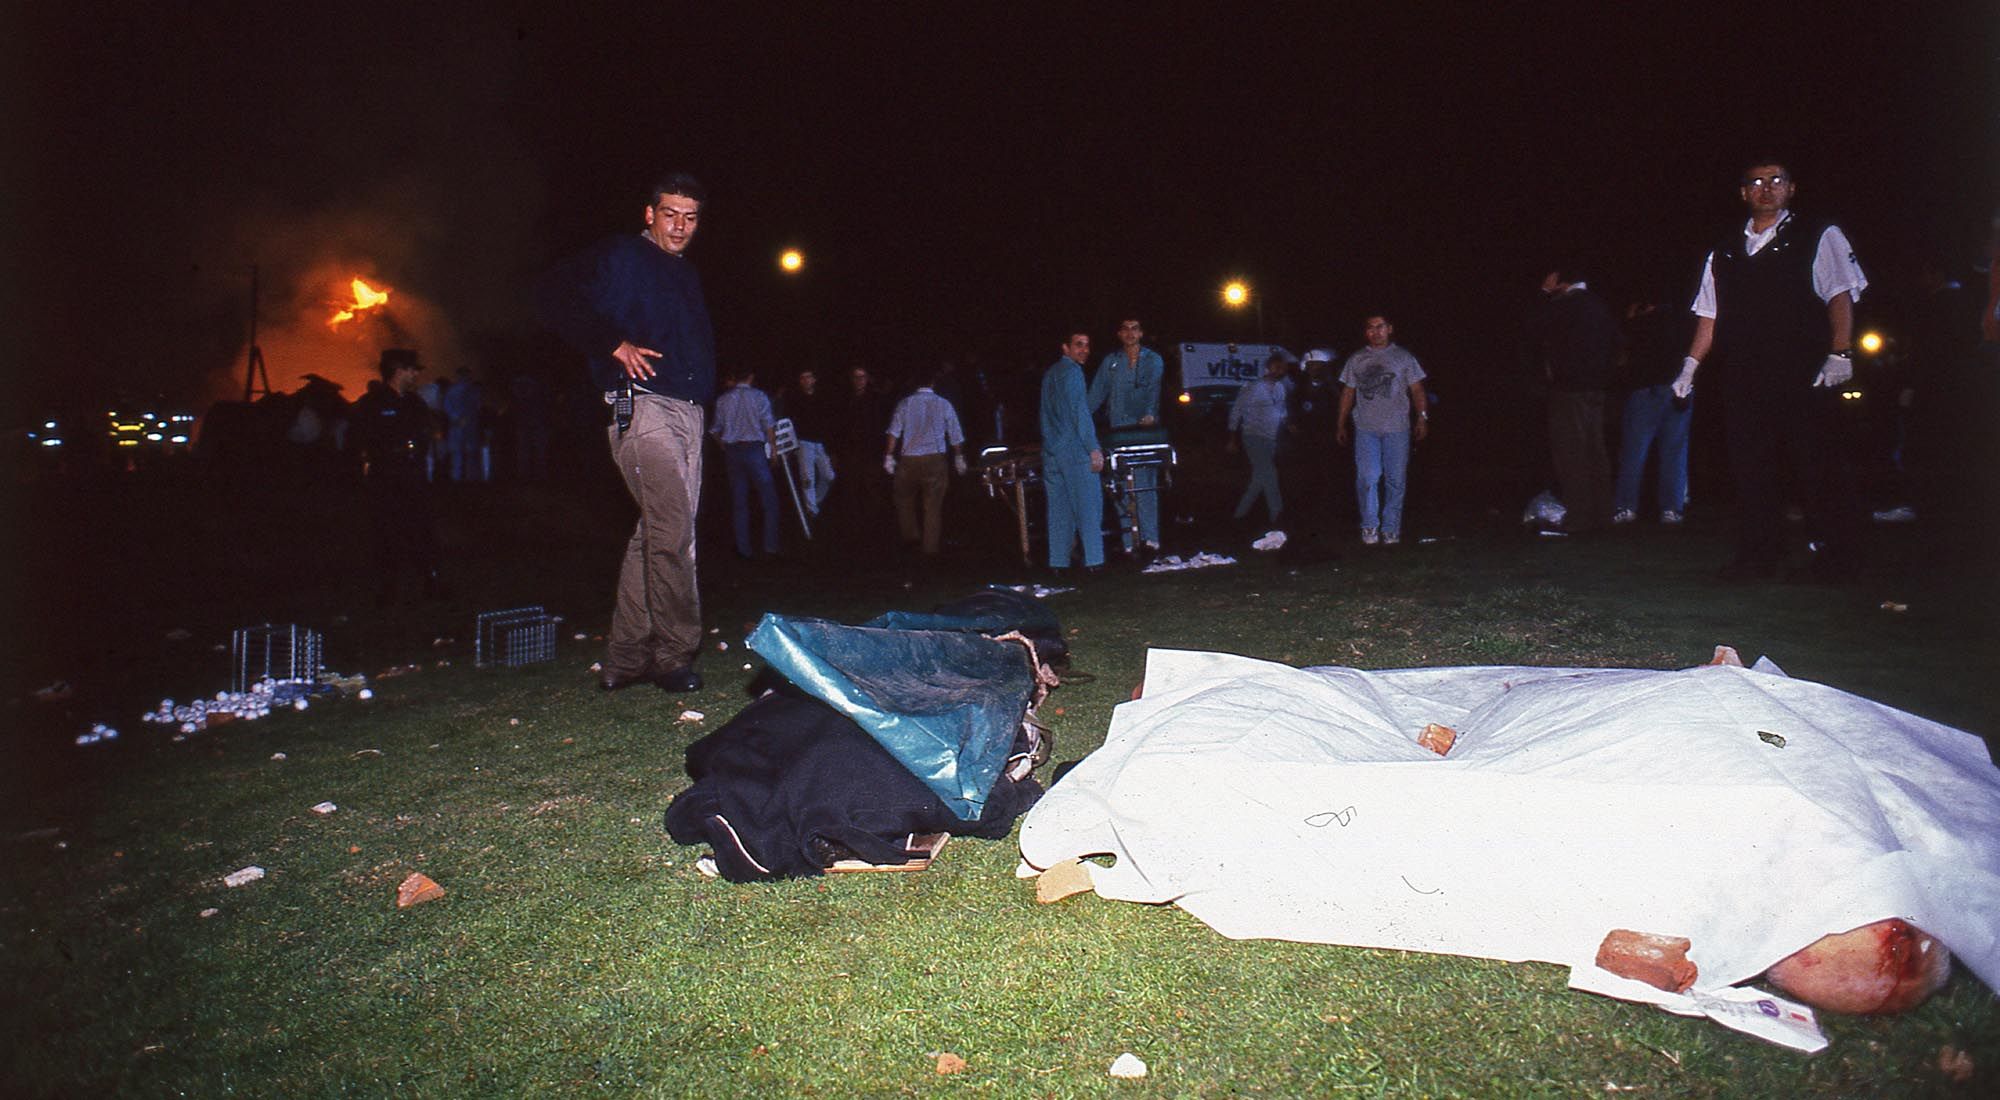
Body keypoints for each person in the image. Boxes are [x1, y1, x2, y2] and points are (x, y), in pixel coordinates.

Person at [535, 172, 715, 693]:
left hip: (689, 412)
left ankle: (624, 657)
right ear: (649, 214)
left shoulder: (687, 274)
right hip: (642, 408)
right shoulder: (620, 255)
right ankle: (675, 654)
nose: (680, 225)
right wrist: (610, 343)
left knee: (657, 531)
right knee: (675, 531)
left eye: (690, 216)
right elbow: (552, 291)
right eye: (670, 214)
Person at [1673, 155, 1868, 580]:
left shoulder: (1818, 234)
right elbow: (1709, 314)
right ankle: (1759, 554)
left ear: (1791, 188)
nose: (1766, 188)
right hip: (1745, 374)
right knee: (1750, 465)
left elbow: (1840, 295)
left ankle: (1839, 555)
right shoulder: (1724, 249)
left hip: (1803, 370)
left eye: (1776, 180)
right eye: (1756, 182)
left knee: (1816, 462)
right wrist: (1690, 365)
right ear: (1743, 192)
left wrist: (1841, 351)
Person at [1529, 267, 1617, 532]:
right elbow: (1617, 344)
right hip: (1597, 388)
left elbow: (1533, 326)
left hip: (1569, 389)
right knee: (1596, 452)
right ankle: (1602, 514)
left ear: (1560, 282)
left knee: (1571, 453)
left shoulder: (1565, 306)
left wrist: (1544, 293)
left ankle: (1579, 518)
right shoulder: (1600, 306)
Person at [349, 348, 440, 602]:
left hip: (413, 474)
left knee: (420, 527)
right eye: (411, 370)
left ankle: (429, 580)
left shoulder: (414, 402)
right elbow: (360, 438)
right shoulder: (372, 403)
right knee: (386, 529)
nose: (415, 374)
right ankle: (387, 585)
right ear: (398, 370)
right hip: (386, 476)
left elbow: (425, 432)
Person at [1337, 314, 1429, 545]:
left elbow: (1417, 390)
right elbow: (1348, 392)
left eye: (1380, 327)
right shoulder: (1356, 359)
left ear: (1390, 329)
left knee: (1395, 479)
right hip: (1366, 428)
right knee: (1368, 477)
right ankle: (1369, 526)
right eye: (1370, 328)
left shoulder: (1403, 357)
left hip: (1397, 428)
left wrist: (1422, 418)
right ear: (1365, 332)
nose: (1375, 331)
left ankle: (1391, 528)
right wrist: (1340, 422)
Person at [1612, 296, 1696, 525]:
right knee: (1674, 451)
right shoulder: (1685, 320)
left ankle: (1627, 507)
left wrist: (1631, 320)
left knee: (1634, 451)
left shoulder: (1642, 324)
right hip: (1678, 388)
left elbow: (1624, 353)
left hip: (1646, 391)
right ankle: (1672, 508)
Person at [1087, 317, 1165, 557]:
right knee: (1119, 486)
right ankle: (1129, 540)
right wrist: (1078, 420)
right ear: (1119, 334)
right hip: (1117, 432)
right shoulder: (1111, 362)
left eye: (1135, 329)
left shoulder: (1153, 360)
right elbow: (1095, 395)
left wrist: (1150, 413)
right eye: (1125, 329)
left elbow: (1153, 388)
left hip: (1143, 431)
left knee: (1144, 484)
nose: (1130, 333)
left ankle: (1150, 539)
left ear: (1141, 333)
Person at [883, 365, 968, 557]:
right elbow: (955, 434)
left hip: (909, 459)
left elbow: (893, 432)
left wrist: (889, 456)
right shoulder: (943, 404)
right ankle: (930, 549)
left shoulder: (905, 404)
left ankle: (911, 538)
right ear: (933, 382)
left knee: (903, 499)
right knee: (932, 506)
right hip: (934, 459)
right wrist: (959, 457)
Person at [1040, 330, 1105, 572]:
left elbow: (1045, 414)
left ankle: (1058, 562)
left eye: (1087, 345)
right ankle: (1094, 561)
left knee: (1058, 511)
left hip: (1052, 450)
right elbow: (1080, 413)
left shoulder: (1050, 374)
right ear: (1065, 348)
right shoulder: (1073, 372)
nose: (1084, 350)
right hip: (1074, 450)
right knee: (1088, 507)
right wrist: (1093, 448)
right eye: (1078, 345)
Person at [711, 366, 782, 560]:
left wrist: (724, 446)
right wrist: (774, 450)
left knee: (739, 501)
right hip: (754, 449)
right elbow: (768, 425)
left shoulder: (723, 399)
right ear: (751, 377)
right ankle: (770, 546)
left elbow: (715, 430)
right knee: (769, 499)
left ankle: (744, 548)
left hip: (733, 451)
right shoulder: (759, 397)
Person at [1282, 347, 1344, 556]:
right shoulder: (1299, 388)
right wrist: (1292, 424)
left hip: (1326, 442)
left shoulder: (1333, 387)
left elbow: (1339, 411)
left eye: (1318, 365)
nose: (1313, 368)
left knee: (1327, 483)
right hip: (1304, 444)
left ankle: (1327, 524)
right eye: (1310, 365)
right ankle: (1304, 526)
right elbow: (1292, 410)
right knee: (1305, 486)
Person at [827, 364, 891, 554]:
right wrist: (835, 452)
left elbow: (880, 427)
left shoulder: (875, 400)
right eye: (855, 377)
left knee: (872, 493)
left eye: (862, 377)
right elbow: (837, 428)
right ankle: (853, 536)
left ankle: (872, 533)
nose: (859, 381)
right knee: (851, 494)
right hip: (850, 454)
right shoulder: (845, 400)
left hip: (869, 453)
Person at [1227, 351, 1292, 529]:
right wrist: (1232, 439)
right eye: (1277, 367)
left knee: (1259, 478)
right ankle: (1277, 516)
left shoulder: (1280, 388)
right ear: (1268, 368)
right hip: (1253, 436)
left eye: (1283, 368)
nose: (1280, 371)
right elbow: (1236, 412)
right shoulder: (1253, 387)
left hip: (1270, 437)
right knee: (1270, 475)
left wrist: (1289, 426)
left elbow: (1282, 412)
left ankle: (1238, 515)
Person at [783, 367, 837, 517]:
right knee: (807, 477)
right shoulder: (795, 399)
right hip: (804, 442)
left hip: (819, 443)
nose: (806, 380)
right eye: (803, 377)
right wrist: (790, 446)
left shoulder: (821, 398)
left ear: (814, 379)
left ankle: (815, 500)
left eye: (808, 377)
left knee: (828, 475)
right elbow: (788, 423)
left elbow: (827, 422)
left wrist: (830, 446)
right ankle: (811, 509)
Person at [442, 367, 485, 482]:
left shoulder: (455, 389)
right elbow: (478, 407)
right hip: (464, 425)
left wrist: (455, 418)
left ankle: (460, 479)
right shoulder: (471, 390)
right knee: (466, 453)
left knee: (461, 454)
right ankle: (467, 480)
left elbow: (447, 406)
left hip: (461, 425)